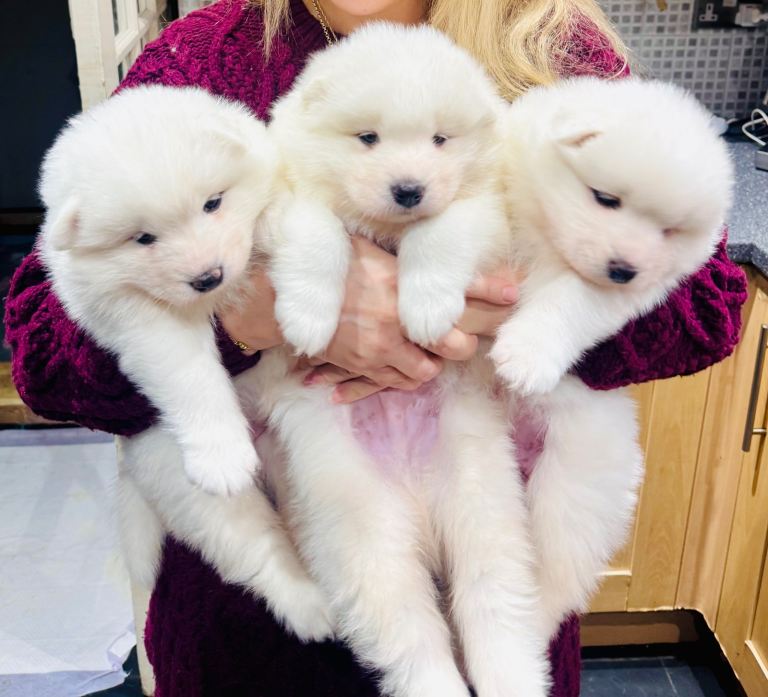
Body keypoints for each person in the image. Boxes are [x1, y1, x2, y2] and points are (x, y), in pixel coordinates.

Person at [4, 1, 748, 695]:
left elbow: (707, 306)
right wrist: (240, 313)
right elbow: (45, 349)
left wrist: (520, 295)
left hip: (495, 611)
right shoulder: (207, 54)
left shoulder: (553, 47)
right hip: (250, 644)